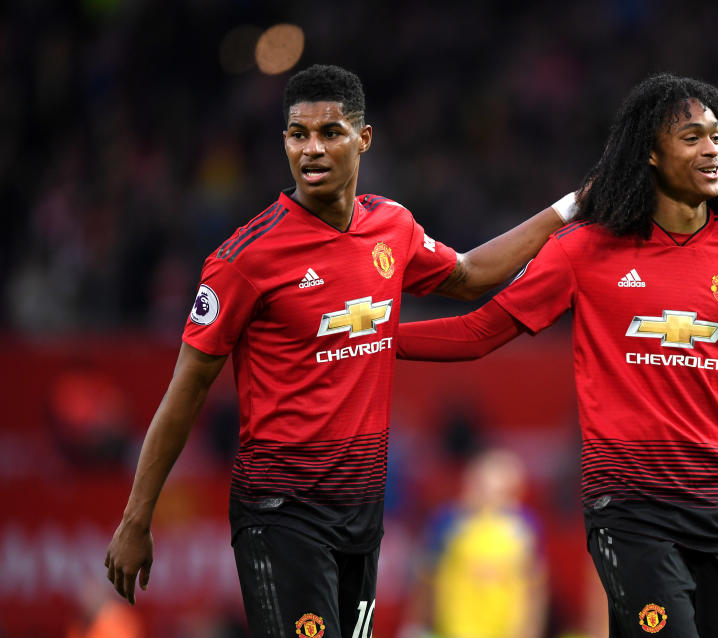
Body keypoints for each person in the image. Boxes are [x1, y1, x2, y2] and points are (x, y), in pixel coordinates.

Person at [104, 64, 571, 637]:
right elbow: (187, 390)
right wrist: (136, 518)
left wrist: (572, 207)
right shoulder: (243, 260)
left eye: (330, 132)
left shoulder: (392, 228)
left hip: (361, 512)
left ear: (363, 139)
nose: (312, 149)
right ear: (284, 143)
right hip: (282, 512)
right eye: (298, 135)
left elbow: (472, 274)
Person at [397, 73, 718, 637]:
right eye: (691, 137)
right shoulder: (585, 250)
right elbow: (478, 332)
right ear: (651, 155)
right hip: (630, 508)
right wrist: (373, 340)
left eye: (716, 136)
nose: (711, 149)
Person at [400, 449, 547, 638]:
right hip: (453, 630)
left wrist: (529, 631)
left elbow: (535, 588)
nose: (489, 498)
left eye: (500, 491)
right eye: (482, 487)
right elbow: (424, 581)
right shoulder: (447, 521)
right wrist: (415, 627)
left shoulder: (525, 527)